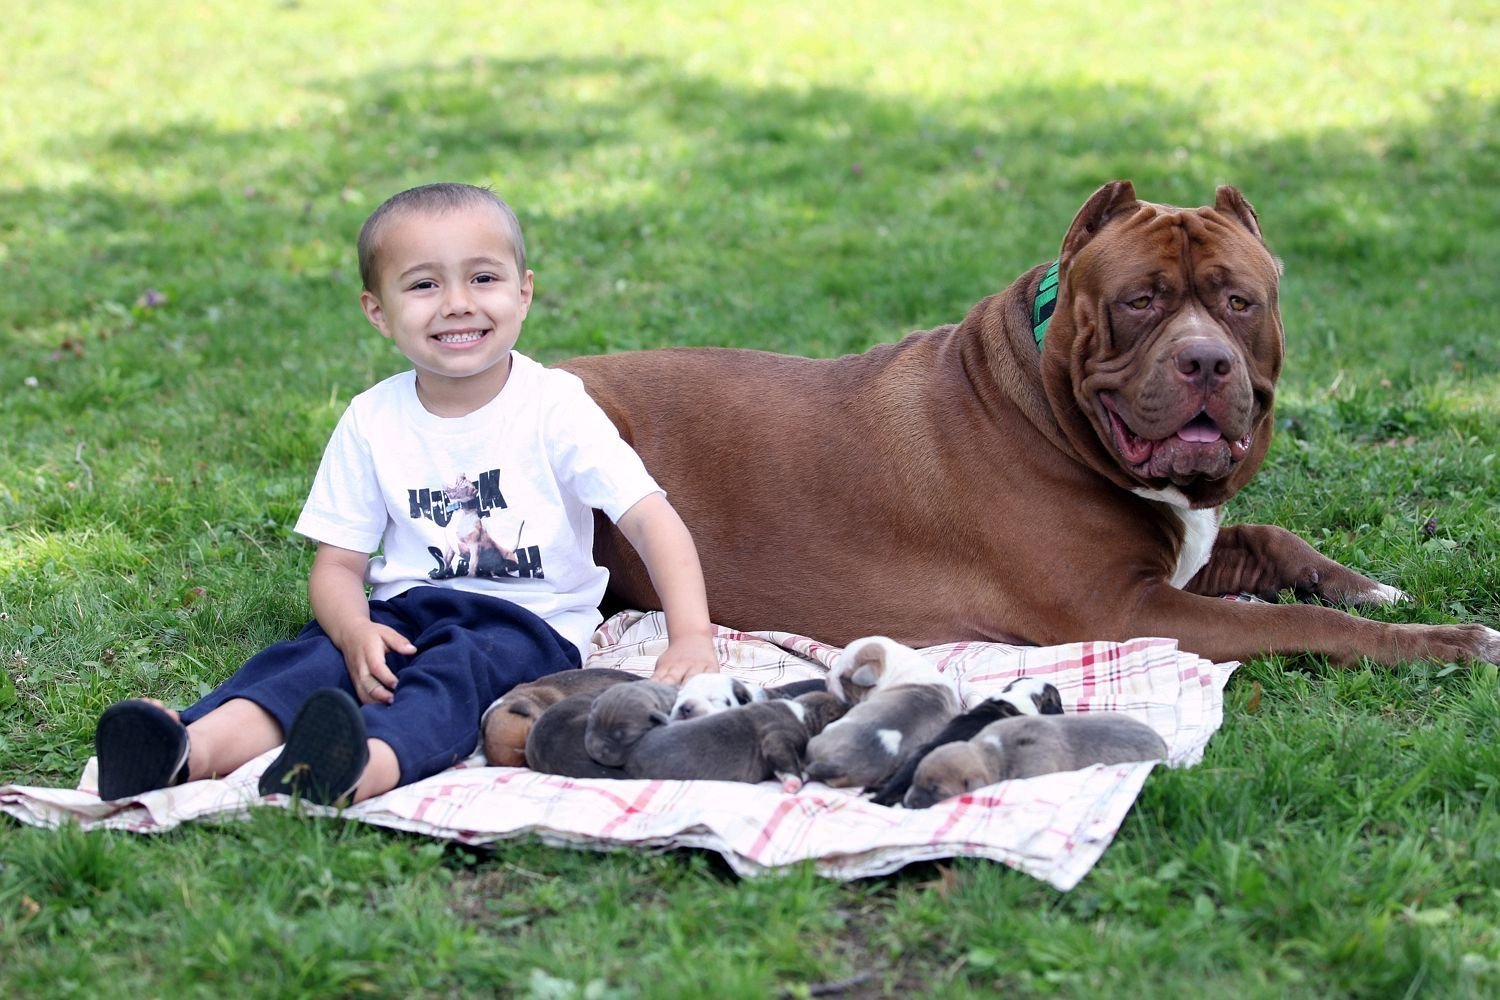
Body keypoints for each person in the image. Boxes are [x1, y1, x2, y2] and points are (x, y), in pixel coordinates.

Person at [93, 182, 720, 806]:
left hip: (528, 623)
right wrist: (354, 630)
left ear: (523, 292)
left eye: (483, 278)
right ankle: (187, 749)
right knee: (307, 663)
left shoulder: (555, 407)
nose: (456, 304)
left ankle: (356, 767)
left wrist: (690, 634)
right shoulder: (372, 419)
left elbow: (649, 519)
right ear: (377, 311)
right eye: (423, 285)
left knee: (449, 682)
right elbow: (338, 565)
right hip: (403, 612)